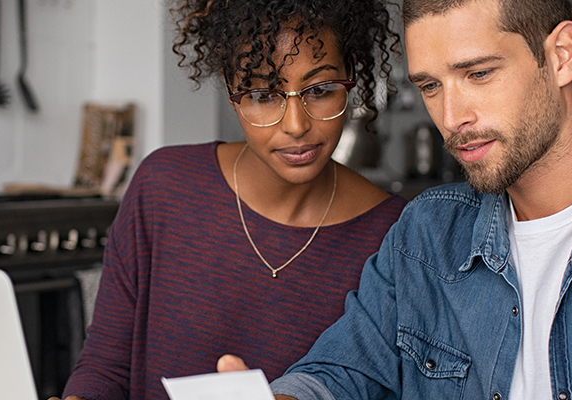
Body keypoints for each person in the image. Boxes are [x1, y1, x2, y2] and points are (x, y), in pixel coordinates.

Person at [218, 0, 572, 398]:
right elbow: (341, 371)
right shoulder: (425, 234)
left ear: (561, 56)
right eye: (430, 85)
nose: (451, 118)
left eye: (478, 74)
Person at [55, 1, 405, 399]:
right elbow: (105, 366)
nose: (296, 125)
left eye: (321, 90)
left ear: (351, 77)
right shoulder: (163, 188)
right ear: (231, 91)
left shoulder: (395, 235)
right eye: (262, 94)